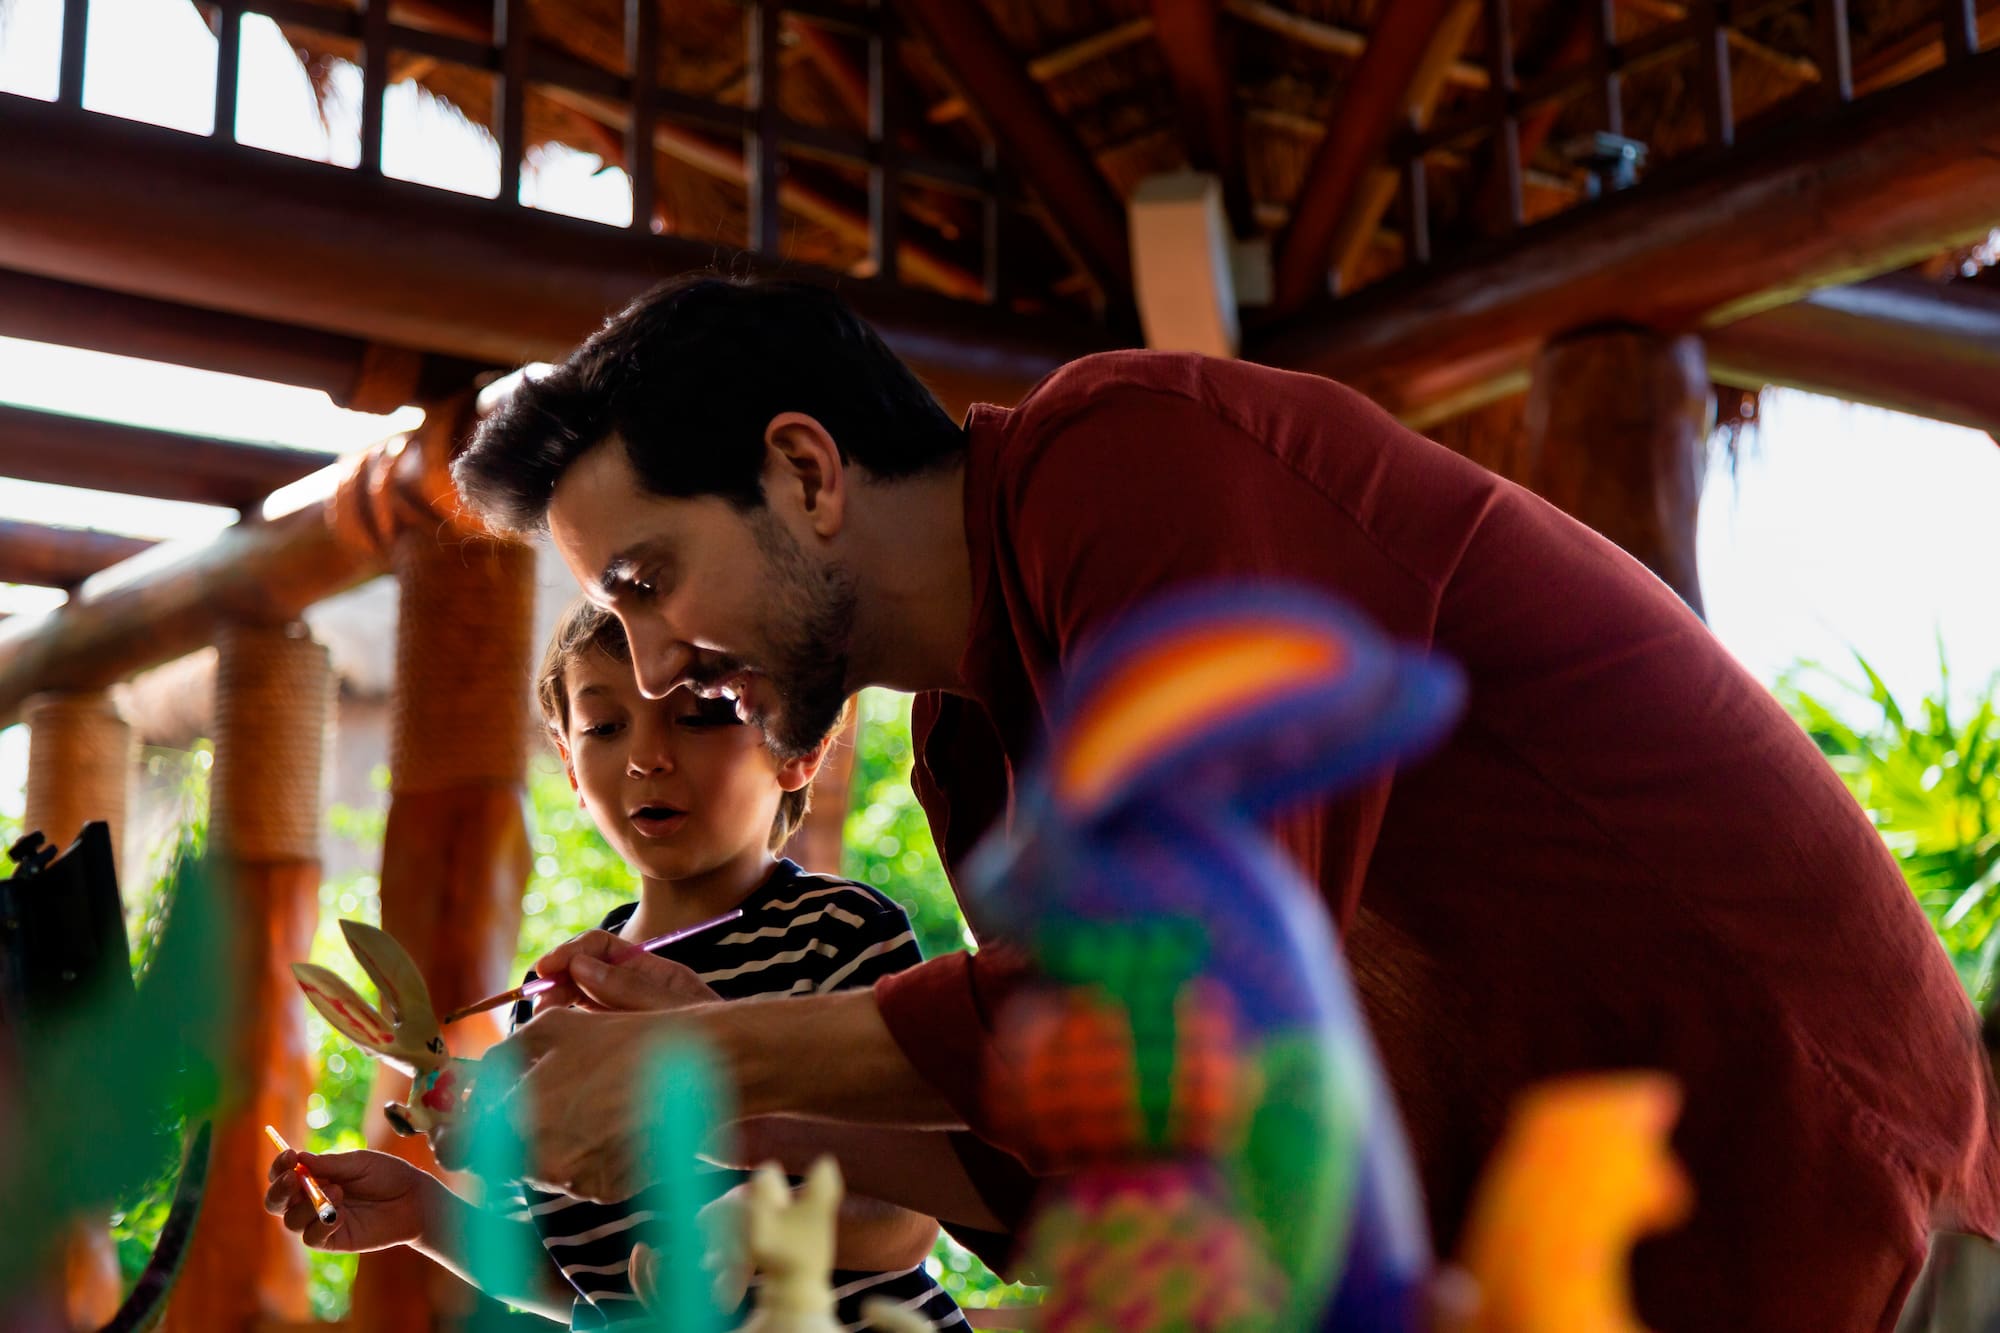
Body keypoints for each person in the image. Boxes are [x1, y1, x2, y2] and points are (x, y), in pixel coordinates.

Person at [444, 274, 2000, 1331]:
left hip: (1842, 1236)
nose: (660, 668)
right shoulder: (977, 755)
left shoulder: (1134, 463)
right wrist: (725, 1102)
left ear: (805, 470)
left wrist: (708, 1052)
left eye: (648, 583)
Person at [266, 597, 965, 1330]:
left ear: (799, 748)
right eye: (604, 726)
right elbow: (583, 1283)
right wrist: (420, 1210)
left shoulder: (838, 931)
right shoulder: (549, 1002)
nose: (646, 756)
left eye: (696, 716)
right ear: (569, 762)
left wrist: (755, 1222)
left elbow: (908, 1215)